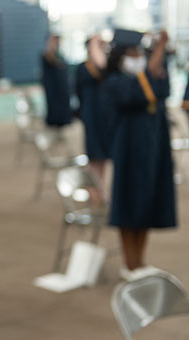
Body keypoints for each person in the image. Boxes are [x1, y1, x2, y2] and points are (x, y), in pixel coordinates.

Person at [100, 29, 175, 281]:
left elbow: (160, 87)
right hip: (128, 152)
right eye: (134, 52)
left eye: (141, 52)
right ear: (122, 56)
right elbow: (140, 90)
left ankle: (140, 263)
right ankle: (129, 264)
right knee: (129, 206)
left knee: (146, 205)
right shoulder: (115, 82)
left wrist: (160, 51)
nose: (139, 57)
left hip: (153, 149)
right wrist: (160, 48)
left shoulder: (146, 75)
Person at [75, 35, 109, 184]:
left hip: (104, 114)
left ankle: (100, 185)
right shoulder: (84, 67)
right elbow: (78, 91)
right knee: (93, 152)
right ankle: (93, 187)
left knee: (103, 153)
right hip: (90, 113)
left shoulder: (107, 67)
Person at [41, 33, 72, 127]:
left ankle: (61, 124)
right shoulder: (47, 54)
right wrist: (51, 46)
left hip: (61, 87)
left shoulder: (60, 55)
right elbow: (52, 61)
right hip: (53, 87)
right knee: (54, 106)